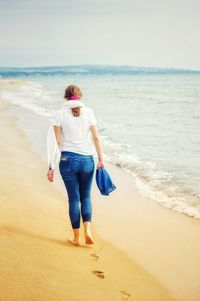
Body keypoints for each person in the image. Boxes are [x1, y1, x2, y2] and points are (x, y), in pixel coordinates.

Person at [47, 85, 104, 246]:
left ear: (65, 97)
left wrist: (51, 166)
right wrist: (100, 159)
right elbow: (96, 138)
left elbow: (57, 142)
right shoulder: (89, 112)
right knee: (86, 197)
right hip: (87, 160)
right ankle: (88, 231)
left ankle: (76, 238)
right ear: (80, 97)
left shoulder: (59, 114)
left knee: (74, 199)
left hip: (67, 160)